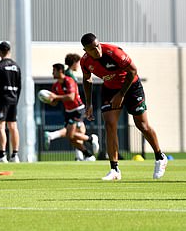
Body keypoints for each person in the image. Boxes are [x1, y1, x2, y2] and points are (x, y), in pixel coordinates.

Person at [80, 33, 168, 180]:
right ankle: (115, 170)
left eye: (98, 46)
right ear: (85, 50)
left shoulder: (114, 52)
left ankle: (160, 157)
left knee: (142, 125)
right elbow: (87, 79)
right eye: (92, 49)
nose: (97, 50)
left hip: (131, 86)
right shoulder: (85, 62)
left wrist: (121, 94)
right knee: (109, 125)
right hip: (110, 88)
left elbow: (133, 70)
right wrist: (88, 103)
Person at [44, 54, 99, 160]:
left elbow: (71, 97)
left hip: (78, 110)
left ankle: (88, 144)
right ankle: (88, 152)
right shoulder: (55, 85)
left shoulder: (69, 80)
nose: (52, 73)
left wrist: (56, 97)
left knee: (71, 133)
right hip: (68, 111)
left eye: (54, 71)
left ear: (60, 71)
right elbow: (55, 102)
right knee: (71, 137)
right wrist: (49, 101)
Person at [0, 41, 21, 163]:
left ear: (0, 51)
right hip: (13, 99)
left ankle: (2, 155)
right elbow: (19, 85)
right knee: (13, 126)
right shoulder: (16, 66)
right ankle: (15, 155)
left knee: (0, 126)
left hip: (2, 100)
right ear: (9, 51)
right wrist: (16, 100)